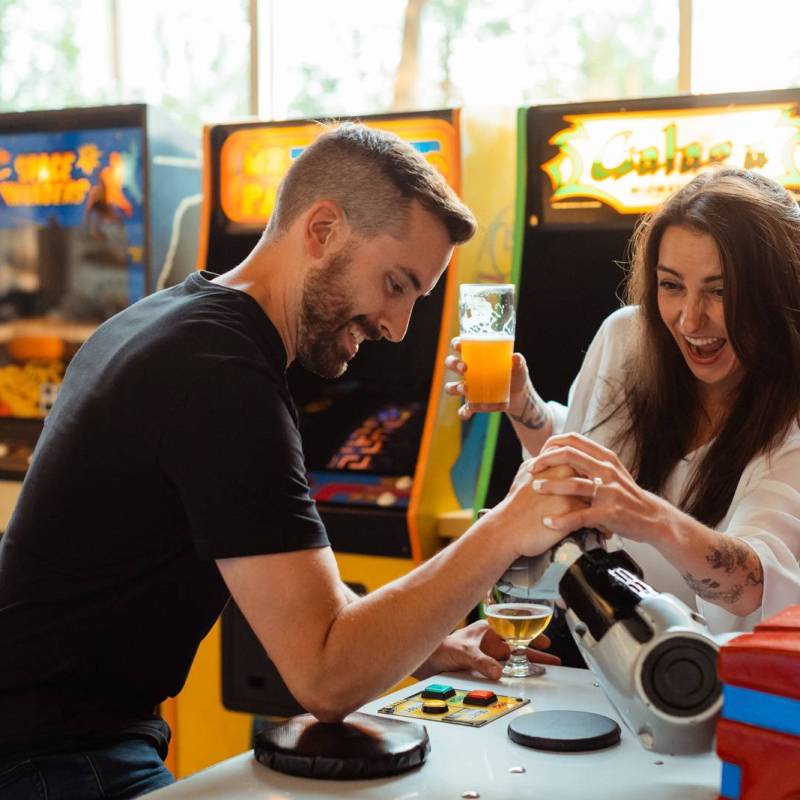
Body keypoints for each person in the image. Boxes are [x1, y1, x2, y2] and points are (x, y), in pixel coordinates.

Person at [0, 123, 579, 800]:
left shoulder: (167, 324)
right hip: (52, 759)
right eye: (395, 285)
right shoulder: (220, 375)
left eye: (416, 300)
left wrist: (422, 645)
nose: (397, 327)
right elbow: (326, 676)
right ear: (323, 229)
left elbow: (276, 589)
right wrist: (508, 524)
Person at [447, 167, 800, 635]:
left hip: (708, 681)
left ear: (775, 292)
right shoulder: (628, 335)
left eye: (720, 291)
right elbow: (578, 452)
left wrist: (644, 514)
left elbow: (757, 586)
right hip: (592, 653)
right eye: (671, 285)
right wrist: (522, 403)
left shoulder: (789, 414)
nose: (691, 320)